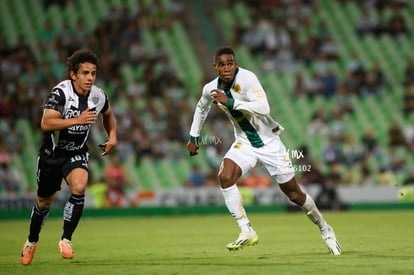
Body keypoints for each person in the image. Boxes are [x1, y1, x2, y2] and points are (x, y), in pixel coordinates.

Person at [186, 46, 342, 255]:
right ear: (215, 67)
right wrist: (194, 136)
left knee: (294, 195)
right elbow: (202, 107)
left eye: (230, 63)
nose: (226, 68)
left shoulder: (248, 79)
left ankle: (325, 228)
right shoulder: (210, 88)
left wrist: (231, 101)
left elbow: (263, 108)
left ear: (236, 63)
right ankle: (246, 230)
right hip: (244, 143)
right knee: (225, 176)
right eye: (222, 65)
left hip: (270, 143)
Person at [20, 49, 118, 265]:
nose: (90, 78)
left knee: (80, 186)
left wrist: (112, 136)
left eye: (93, 73)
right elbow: (46, 123)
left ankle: (66, 239)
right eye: (85, 73)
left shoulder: (98, 95)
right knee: (44, 202)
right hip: (52, 155)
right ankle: (31, 241)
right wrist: (78, 120)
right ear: (73, 75)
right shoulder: (60, 93)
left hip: (77, 152)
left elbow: (108, 114)